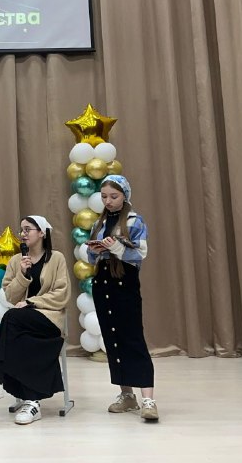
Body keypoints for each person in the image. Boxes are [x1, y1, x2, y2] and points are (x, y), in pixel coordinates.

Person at [0, 215, 71, 425]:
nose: (22, 234)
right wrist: (23, 275)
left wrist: (31, 302)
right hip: (23, 320)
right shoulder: (16, 261)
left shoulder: (57, 258)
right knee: (20, 333)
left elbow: (62, 294)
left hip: (50, 319)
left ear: (41, 233)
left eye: (27, 229)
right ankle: (32, 403)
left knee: (11, 316)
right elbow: (10, 296)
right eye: (21, 230)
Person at [86, 174, 158, 421]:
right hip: (102, 283)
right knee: (112, 339)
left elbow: (140, 254)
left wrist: (115, 247)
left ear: (125, 196)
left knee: (133, 338)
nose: (108, 201)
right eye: (104, 196)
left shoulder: (134, 221)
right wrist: (94, 250)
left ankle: (148, 399)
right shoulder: (99, 222)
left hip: (124, 283)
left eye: (114, 196)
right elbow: (92, 259)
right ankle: (127, 395)